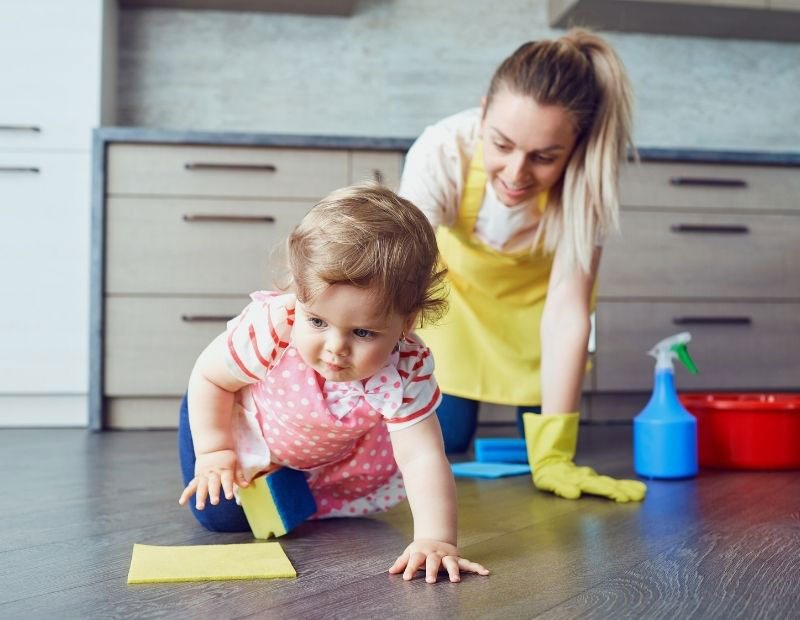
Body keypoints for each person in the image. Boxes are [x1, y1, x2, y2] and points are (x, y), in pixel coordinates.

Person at [177, 184, 490, 583]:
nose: (334, 349)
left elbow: (422, 456)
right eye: (318, 322)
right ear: (298, 293)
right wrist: (215, 451)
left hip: (319, 446)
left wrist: (437, 539)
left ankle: (294, 477)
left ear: (406, 324)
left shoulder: (406, 368)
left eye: (362, 333)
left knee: (308, 507)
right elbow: (209, 378)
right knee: (221, 516)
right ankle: (265, 469)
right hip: (231, 415)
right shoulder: (273, 327)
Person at [399, 28, 647, 503]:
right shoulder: (442, 150)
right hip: (455, 304)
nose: (516, 173)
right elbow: (402, 279)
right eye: (502, 144)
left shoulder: (588, 179)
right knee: (443, 438)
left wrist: (555, 454)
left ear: (575, 146)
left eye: (544, 157)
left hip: (537, 318)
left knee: (541, 450)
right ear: (485, 107)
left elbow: (568, 309)